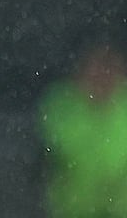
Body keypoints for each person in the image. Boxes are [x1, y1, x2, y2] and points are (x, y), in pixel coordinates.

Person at [38, 43, 127, 218]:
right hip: (72, 211)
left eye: (110, 67)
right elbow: (44, 163)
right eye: (96, 66)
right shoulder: (59, 108)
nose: (104, 75)